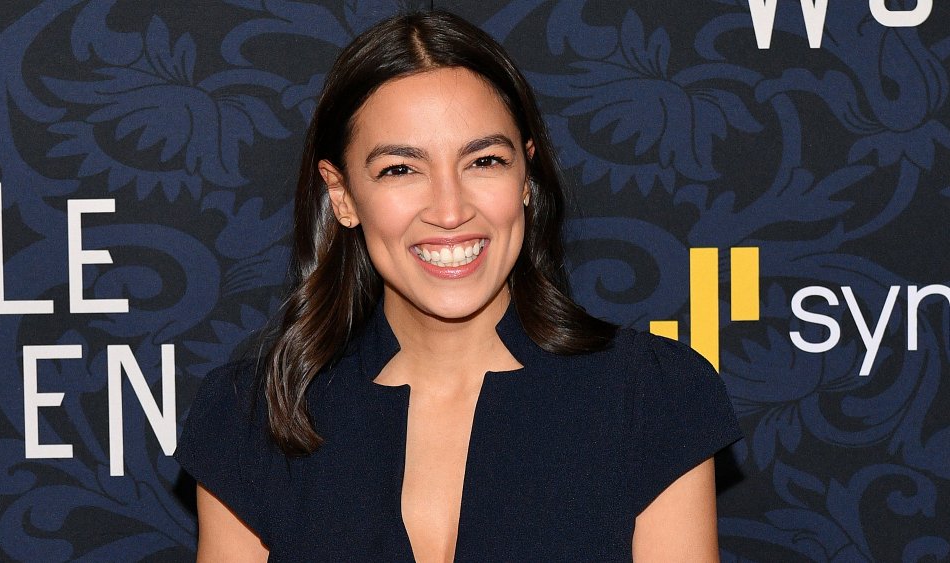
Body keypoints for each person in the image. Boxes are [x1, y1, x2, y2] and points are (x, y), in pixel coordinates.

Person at [174, 10, 742, 563]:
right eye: (400, 169)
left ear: (526, 176)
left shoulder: (653, 396)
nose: (449, 210)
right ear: (342, 194)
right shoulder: (253, 414)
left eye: (484, 161)